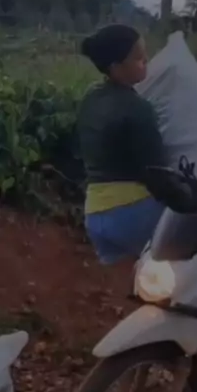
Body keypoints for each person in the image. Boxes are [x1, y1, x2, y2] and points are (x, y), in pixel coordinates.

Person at [78, 24, 166, 264]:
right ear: (116, 67)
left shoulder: (90, 98)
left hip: (94, 214)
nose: (146, 61)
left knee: (123, 283)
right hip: (134, 213)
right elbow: (157, 171)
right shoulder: (138, 108)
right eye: (138, 58)